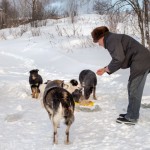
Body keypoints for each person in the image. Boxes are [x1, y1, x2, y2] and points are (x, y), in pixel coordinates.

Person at [91, 26, 150, 125]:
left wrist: (106, 69)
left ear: (101, 37)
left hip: (141, 61)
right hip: (141, 60)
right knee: (132, 87)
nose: (99, 45)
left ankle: (132, 117)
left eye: (98, 42)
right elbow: (119, 58)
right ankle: (130, 114)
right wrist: (105, 69)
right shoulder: (112, 38)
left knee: (134, 88)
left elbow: (119, 59)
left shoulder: (110, 40)